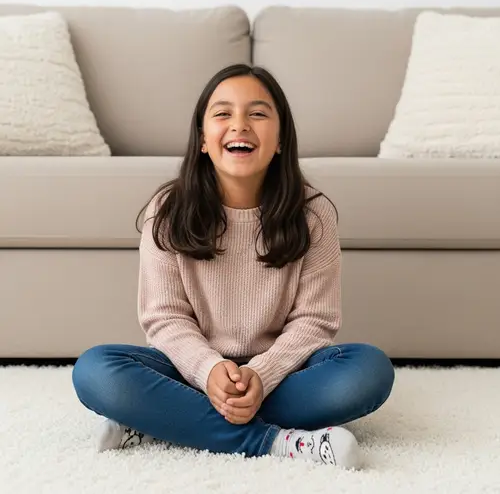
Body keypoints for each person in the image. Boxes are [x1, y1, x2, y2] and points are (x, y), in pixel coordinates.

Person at [72, 63, 395, 470]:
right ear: (203, 139)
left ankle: (164, 421)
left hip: (281, 371)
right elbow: (164, 318)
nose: (239, 125)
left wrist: (261, 374)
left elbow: (315, 321)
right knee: (96, 370)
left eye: (258, 114)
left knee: (368, 371)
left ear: (280, 140)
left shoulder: (313, 215)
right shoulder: (168, 212)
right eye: (222, 114)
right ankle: (276, 442)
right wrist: (209, 372)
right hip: (189, 369)